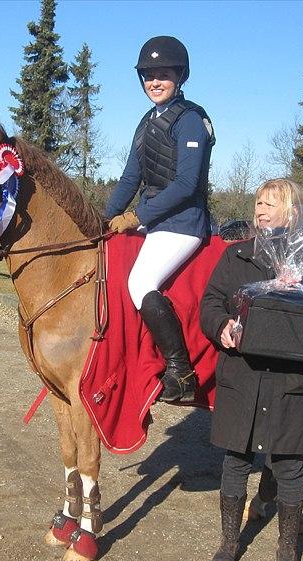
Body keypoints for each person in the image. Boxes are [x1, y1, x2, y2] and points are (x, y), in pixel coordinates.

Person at [199, 178, 303, 561]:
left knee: (288, 468)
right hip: (242, 378)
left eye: (270, 203)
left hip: (289, 384)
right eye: (258, 203)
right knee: (235, 461)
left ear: (293, 213)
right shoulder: (237, 258)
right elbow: (209, 304)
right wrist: (222, 327)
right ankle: (229, 542)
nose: (260, 210)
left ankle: (287, 550)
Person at [104, 35, 215, 404]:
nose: (155, 81)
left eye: (163, 74)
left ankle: (181, 372)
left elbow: (186, 184)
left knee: (140, 281)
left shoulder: (191, 120)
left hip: (183, 223)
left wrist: (135, 216)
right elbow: (130, 179)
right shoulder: (146, 121)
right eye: (148, 75)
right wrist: (102, 219)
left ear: (179, 76)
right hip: (154, 222)